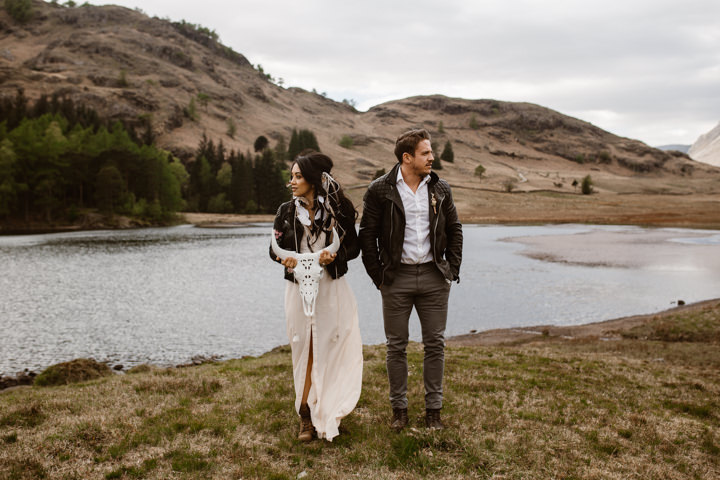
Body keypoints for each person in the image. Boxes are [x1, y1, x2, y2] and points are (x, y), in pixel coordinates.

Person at [359, 128, 462, 431]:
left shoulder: (440, 188)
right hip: (396, 278)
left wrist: (451, 269)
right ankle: (399, 411)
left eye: (431, 152)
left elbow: (455, 229)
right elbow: (367, 235)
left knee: (435, 344)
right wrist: (379, 276)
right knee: (396, 346)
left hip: (434, 277)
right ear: (407, 157)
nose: (432, 157)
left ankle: (434, 412)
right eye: (426, 153)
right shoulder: (380, 189)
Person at [270, 150, 363, 442]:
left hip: (332, 288)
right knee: (304, 350)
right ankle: (306, 416)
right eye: (292, 176)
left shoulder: (340, 210)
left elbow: (354, 248)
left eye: (298, 176)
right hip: (298, 291)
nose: (292, 182)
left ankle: (330, 410)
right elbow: (273, 249)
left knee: (332, 347)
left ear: (313, 179)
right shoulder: (286, 212)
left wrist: (332, 258)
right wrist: (284, 260)